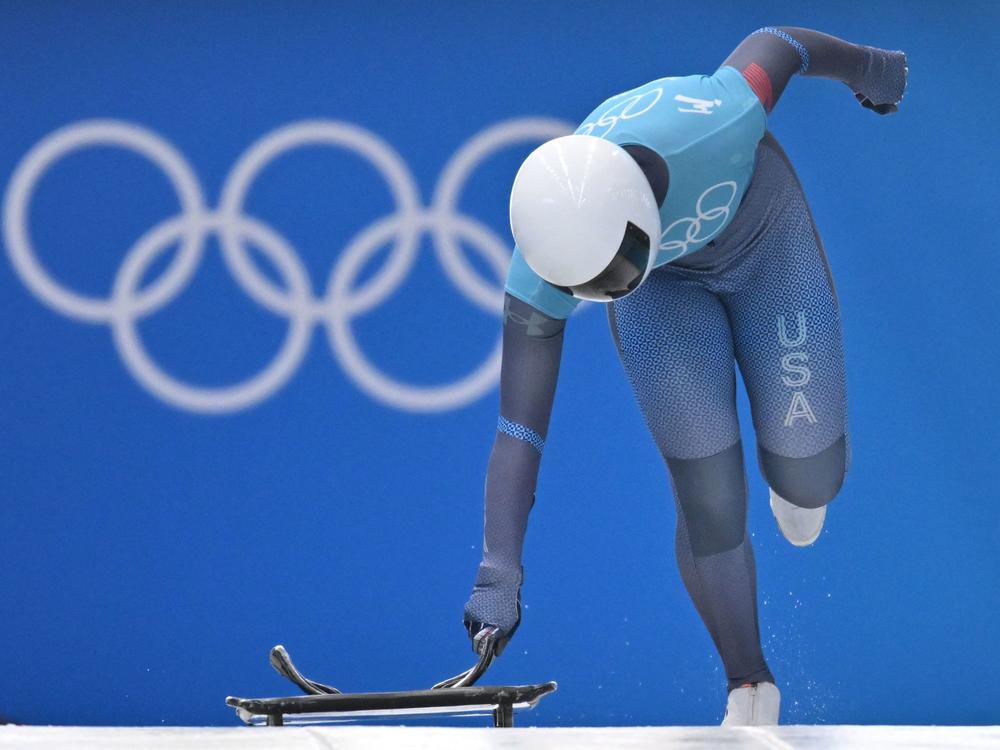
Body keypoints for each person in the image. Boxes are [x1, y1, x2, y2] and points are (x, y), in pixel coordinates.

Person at [463, 27, 907, 726]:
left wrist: (875, 70)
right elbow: (518, 431)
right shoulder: (541, 268)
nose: (603, 288)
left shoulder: (720, 119)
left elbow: (780, 42)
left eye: (613, 271)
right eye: (590, 286)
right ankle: (748, 683)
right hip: (663, 295)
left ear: (641, 215)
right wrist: (499, 571)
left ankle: (798, 479)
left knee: (809, 481)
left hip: (765, 238)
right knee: (708, 495)